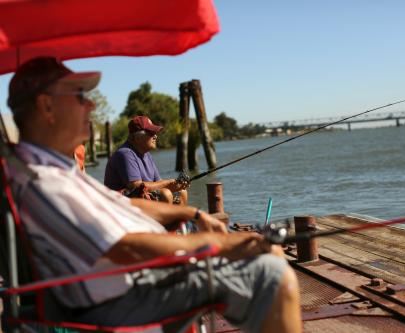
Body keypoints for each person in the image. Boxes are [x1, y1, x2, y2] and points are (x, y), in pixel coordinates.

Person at [6, 56, 301, 333]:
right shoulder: (43, 181)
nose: (91, 106)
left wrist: (191, 213)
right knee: (273, 275)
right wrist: (220, 243)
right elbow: (126, 248)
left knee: (266, 252)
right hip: (122, 298)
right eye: (79, 97)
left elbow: (125, 202)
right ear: (46, 107)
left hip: (130, 282)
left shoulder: (54, 171)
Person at [104, 116, 188, 204]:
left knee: (182, 192)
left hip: (139, 197)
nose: (155, 136)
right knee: (165, 194)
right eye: (151, 133)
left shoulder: (146, 154)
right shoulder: (125, 154)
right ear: (137, 137)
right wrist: (168, 183)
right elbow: (136, 187)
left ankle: (178, 217)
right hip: (120, 205)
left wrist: (176, 184)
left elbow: (158, 182)